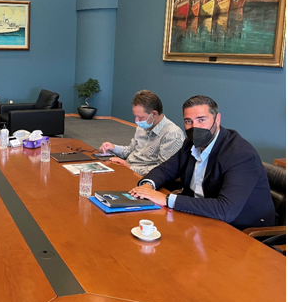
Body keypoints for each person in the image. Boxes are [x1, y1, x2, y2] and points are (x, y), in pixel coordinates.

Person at [130, 95, 275, 229]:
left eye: (201, 120)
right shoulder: (190, 144)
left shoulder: (240, 154)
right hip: (199, 217)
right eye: (188, 121)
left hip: (239, 229)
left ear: (217, 119)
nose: (195, 127)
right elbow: (166, 169)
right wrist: (148, 186)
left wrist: (167, 199)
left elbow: (225, 210)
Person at [99, 90, 184, 175]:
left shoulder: (172, 134)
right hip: (128, 168)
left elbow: (164, 170)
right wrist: (113, 148)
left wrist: (130, 168)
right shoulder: (142, 127)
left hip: (144, 176)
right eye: (135, 116)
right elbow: (131, 150)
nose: (136, 121)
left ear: (154, 114)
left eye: (140, 117)